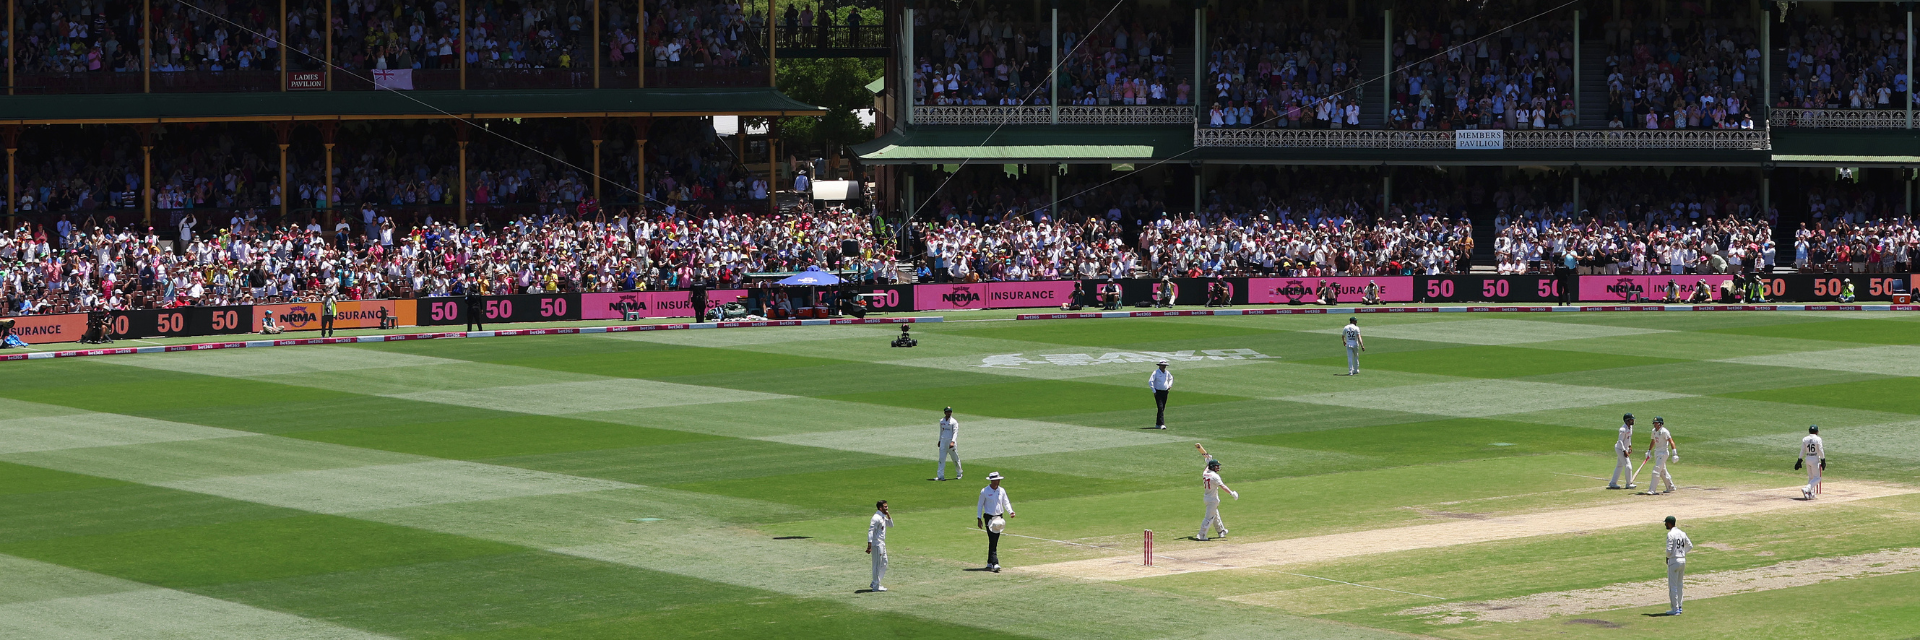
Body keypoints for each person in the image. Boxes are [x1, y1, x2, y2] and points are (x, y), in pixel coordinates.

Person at [1195, 444, 1237, 540]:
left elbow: (1206, 468)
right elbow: (1223, 486)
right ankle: (1201, 535)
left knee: (1215, 515)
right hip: (1212, 499)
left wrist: (1208, 461)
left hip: (1207, 498)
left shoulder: (1205, 473)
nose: (1218, 468)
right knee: (1209, 518)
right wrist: (1231, 493)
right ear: (1213, 467)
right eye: (1216, 466)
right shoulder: (1215, 476)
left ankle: (1221, 531)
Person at [975, 472, 1014, 572]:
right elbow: (980, 505)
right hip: (989, 518)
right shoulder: (985, 491)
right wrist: (979, 518)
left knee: (994, 540)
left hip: (999, 518)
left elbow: (1006, 502)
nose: (998, 481)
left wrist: (1011, 511)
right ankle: (995, 563)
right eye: (996, 480)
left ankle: (989, 562)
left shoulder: (1001, 490)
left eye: (999, 479)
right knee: (993, 540)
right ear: (992, 481)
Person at [1662, 515, 1693, 616]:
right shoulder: (1682, 533)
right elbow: (1690, 545)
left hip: (1674, 561)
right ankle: (1679, 606)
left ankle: (1675, 609)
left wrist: (1668, 557)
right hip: (1682, 560)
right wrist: (1682, 553)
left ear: (1670, 523)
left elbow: (1669, 550)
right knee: (1680, 585)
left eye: (1666, 523)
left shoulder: (1670, 534)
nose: (1665, 524)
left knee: (1673, 586)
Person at [1644, 416, 1679, 494]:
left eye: (1656, 423)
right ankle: (1670, 486)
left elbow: (1671, 441)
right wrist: (1649, 451)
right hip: (1657, 452)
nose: (1654, 424)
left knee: (1656, 470)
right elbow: (1653, 441)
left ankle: (1652, 490)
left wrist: (1674, 453)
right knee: (1662, 471)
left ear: (1660, 424)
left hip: (1663, 453)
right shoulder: (1653, 431)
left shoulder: (1664, 431)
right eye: (1654, 423)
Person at [866, 500, 892, 592]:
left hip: (882, 543)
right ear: (880, 508)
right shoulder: (876, 518)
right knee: (876, 565)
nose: (887, 508)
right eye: (885, 507)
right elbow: (870, 531)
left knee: (884, 562)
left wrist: (888, 515)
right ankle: (876, 586)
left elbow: (891, 525)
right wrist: (869, 545)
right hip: (876, 544)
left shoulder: (883, 516)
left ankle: (875, 582)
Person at [1797, 425, 1826, 499]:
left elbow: (1802, 450)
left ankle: (1810, 494)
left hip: (1807, 458)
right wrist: (1823, 459)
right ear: (1817, 432)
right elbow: (1820, 450)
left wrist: (1799, 460)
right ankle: (1807, 489)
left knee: (1811, 477)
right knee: (1817, 478)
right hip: (1815, 458)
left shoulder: (1805, 439)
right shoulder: (1818, 439)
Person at [1609, 413, 1637, 489]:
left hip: (1625, 448)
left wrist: (1630, 446)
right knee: (1628, 466)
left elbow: (1628, 438)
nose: (1633, 421)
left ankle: (1613, 483)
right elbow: (1620, 441)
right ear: (1627, 420)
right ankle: (1629, 484)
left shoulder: (1630, 428)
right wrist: (1624, 451)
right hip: (1620, 449)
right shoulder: (1622, 429)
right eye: (1631, 419)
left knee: (1619, 466)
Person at [936, 407, 962, 481]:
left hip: (951, 442)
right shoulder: (941, 421)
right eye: (947, 412)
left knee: (955, 459)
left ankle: (959, 473)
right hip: (943, 441)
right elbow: (941, 431)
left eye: (950, 412)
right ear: (945, 413)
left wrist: (953, 441)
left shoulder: (954, 422)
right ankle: (940, 476)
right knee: (941, 459)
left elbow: (955, 432)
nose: (949, 413)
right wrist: (939, 440)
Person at [1149, 359, 1174, 429]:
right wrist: (1154, 391)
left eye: (1165, 365)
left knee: (1162, 408)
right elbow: (1150, 381)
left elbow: (1171, 378)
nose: (1164, 367)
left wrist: (1169, 385)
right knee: (1160, 407)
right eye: (1163, 365)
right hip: (1158, 392)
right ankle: (1162, 424)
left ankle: (1158, 424)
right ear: (1159, 366)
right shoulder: (1156, 372)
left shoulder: (1167, 372)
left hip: (1165, 392)